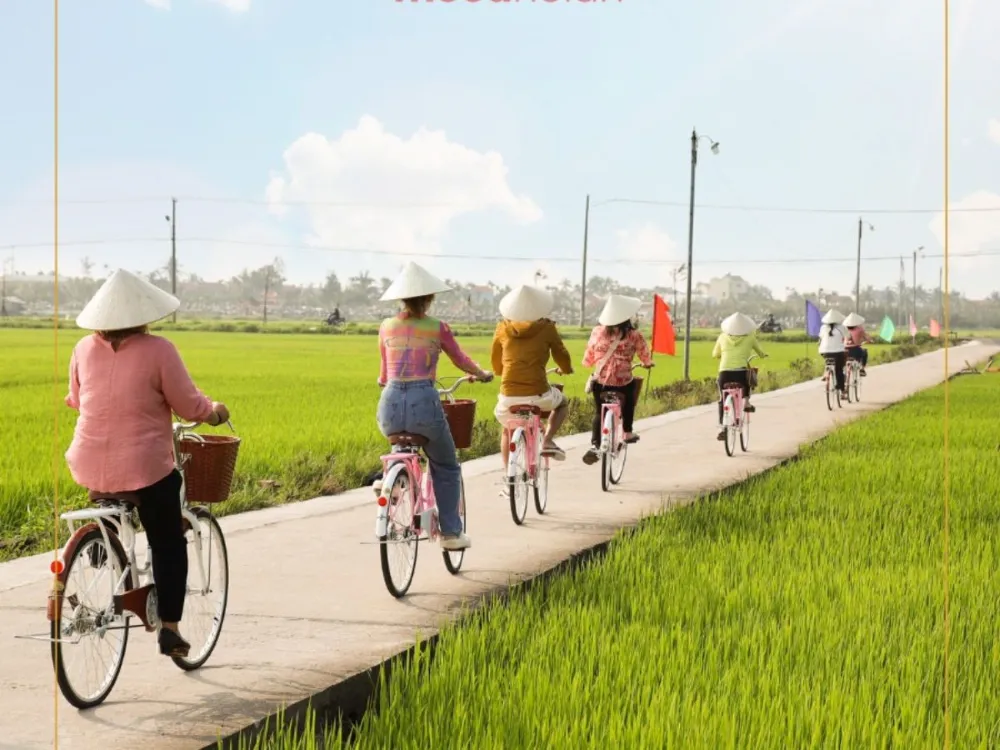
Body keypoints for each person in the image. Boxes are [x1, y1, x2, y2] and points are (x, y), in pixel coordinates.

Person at [64, 269, 230, 659]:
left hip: (89, 464)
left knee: (110, 498)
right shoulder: (159, 350)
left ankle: (101, 543)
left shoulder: (82, 349)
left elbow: (75, 398)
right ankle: (170, 628)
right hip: (145, 467)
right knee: (168, 541)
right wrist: (215, 412)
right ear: (143, 313)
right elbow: (190, 405)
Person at [376, 262, 492, 551]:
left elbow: (383, 375)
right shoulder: (437, 328)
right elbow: (460, 359)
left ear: (401, 298)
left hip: (389, 405)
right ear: (429, 299)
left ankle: (391, 482)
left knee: (400, 443)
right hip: (423, 403)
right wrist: (482, 374)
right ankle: (452, 533)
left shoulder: (386, 326)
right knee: (446, 465)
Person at [491, 285, 574, 465]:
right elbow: (561, 354)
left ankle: (508, 478)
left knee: (507, 429)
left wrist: (501, 372)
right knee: (562, 403)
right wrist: (566, 369)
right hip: (539, 394)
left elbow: (496, 363)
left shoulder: (502, 328)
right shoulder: (547, 327)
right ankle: (548, 440)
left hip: (509, 396)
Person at [580, 294, 653, 466]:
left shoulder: (597, 331)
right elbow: (644, 355)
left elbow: (588, 357)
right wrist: (647, 363)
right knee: (629, 399)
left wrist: (591, 361)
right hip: (623, 381)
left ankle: (595, 445)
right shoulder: (634, 335)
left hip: (601, 382)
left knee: (599, 412)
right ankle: (627, 431)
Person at [712, 312, 767, 441]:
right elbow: (760, 352)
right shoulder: (750, 337)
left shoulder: (722, 337)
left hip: (724, 373)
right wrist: (763, 355)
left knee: (722, 399)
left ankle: (722, 427)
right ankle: (746, 402)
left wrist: (721, 355)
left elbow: (715, 354)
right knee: (748, 379)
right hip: (740, 373)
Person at [818, 308, 848, 395]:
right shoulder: (842, 327)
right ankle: (842, 390)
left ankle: (827, 371)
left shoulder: (823, 328)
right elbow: (848, 337)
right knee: (839, 370)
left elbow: (820, 338)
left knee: (829, 361)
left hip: (824, 352)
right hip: (839, 352)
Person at [843, 312, 870, 376]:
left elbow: (841, 339)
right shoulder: (860, 329)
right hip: (856, 349)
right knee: (865, 352)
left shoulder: (844, 329)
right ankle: (862, 369)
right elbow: (867, 338)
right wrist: (869, 340)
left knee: (843, 360)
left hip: (845, 350)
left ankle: (844, 371)